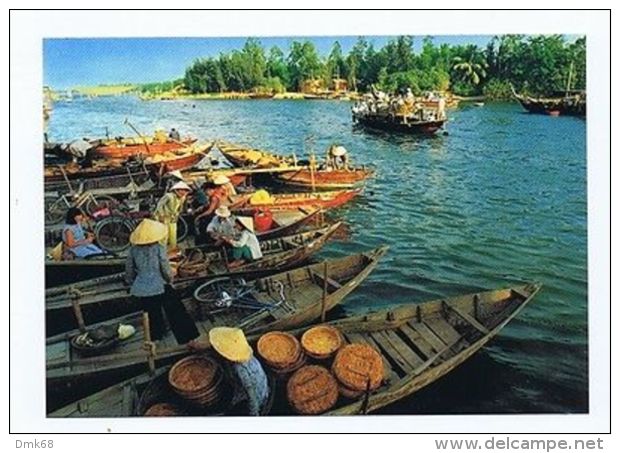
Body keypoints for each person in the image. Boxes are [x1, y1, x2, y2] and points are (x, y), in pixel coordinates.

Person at [125, 219, 199, 343]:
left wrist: (131, 282)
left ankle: (156, 337)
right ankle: (187, 338)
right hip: (160, 284)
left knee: (151, 313)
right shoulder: (159, 248)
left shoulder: (133, 250)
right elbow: (165, 267)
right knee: (176, 311)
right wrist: (170, 279)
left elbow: (129, 270)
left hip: (143, 287)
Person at [208, 327, 270, 416]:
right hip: (253, 387)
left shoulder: (241, 370)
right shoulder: (246, 355)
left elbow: (251, 394)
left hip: (257, 395)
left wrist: (254, 413)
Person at [152, 181, 192, 250]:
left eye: (185, 191)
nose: (183, 192)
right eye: (181, 190)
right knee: (164, 236)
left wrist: (179, 213)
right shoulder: (168, 196)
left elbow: (180, 208)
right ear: (177, 190)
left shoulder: (183, 198)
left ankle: (173, 250)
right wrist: (161, 215)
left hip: (173, 217)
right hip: (164, 217)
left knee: (173, 235)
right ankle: (162, 250)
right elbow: (159, 205)